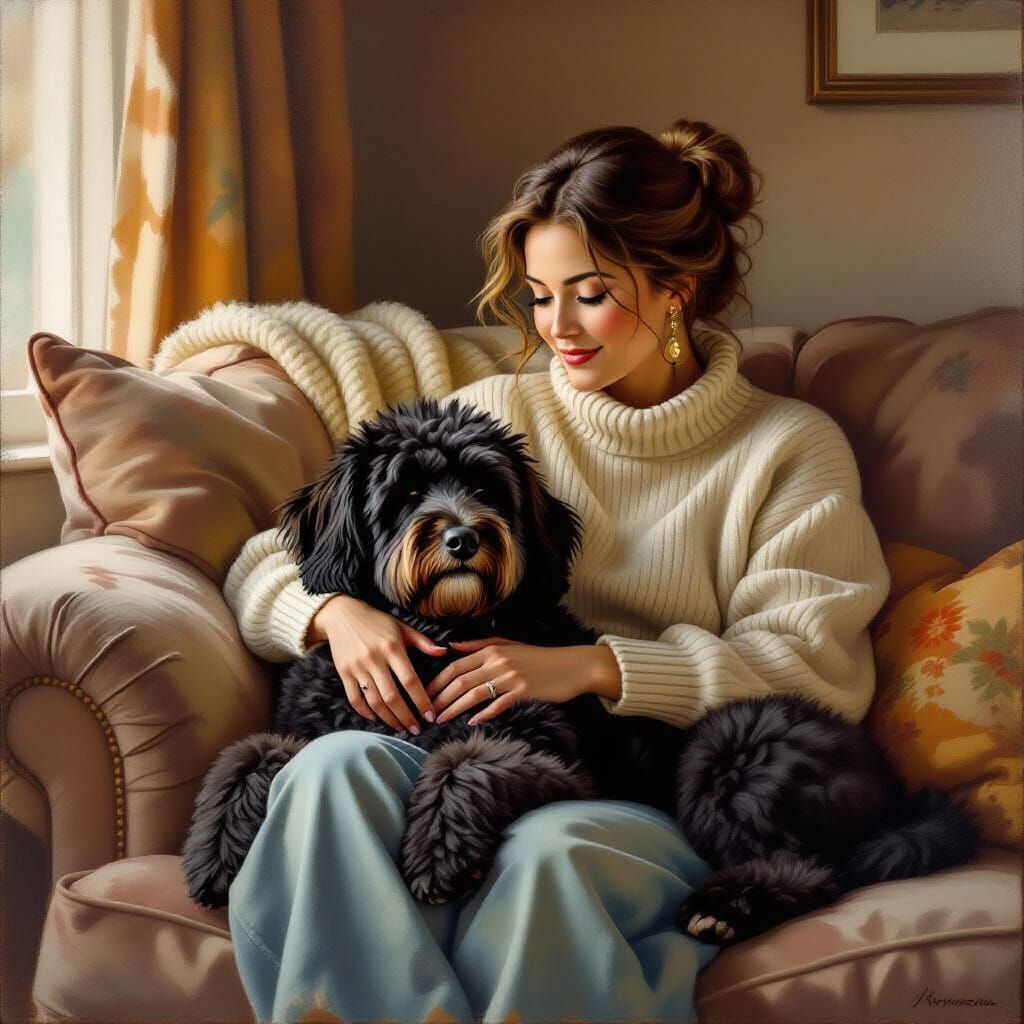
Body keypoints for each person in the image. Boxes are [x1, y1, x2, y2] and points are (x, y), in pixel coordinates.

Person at [221, 118, 891, 1023]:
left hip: (645, 788)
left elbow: (810, 667)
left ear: (675, 292)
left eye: (590, 294)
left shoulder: (788, 450)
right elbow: (278, 552)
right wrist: (334, 614)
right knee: (328, 769)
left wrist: (593, 665)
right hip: (467, 744)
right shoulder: (499, 412)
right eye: (539, 296)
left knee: (546, 853)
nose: (556, 329)